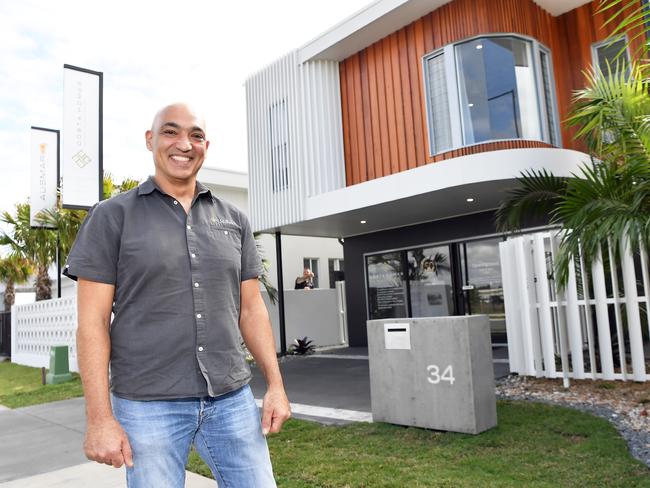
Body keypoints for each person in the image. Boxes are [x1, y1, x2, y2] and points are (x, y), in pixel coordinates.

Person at [64, 103, 290, 487]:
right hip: (147, 405)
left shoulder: (234, 219)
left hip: (231, 399)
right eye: (170, 132)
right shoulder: (111, 216)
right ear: (151, 140)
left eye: (196, 135)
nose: (184, 143)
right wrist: (99, 418)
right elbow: (93, 323)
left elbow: (252, 310)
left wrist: (276, 386)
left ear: (206, 145)